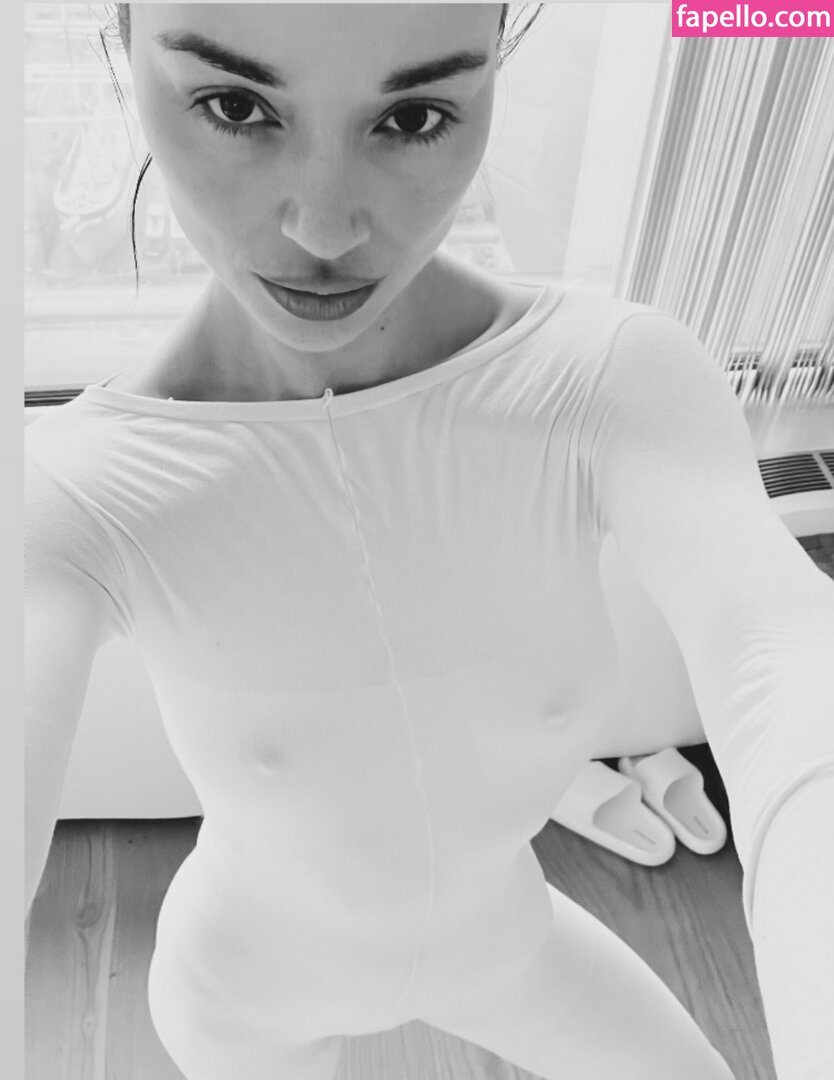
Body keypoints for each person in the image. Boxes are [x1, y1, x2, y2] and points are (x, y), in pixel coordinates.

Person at [24, 5, 834, 1079]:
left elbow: (784, 657)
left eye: (412, 118)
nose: (324, 230)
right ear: (123, 55)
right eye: (234, 106)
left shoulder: (606, 380)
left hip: (508, 949)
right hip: (244, 996)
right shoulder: (74, 491)